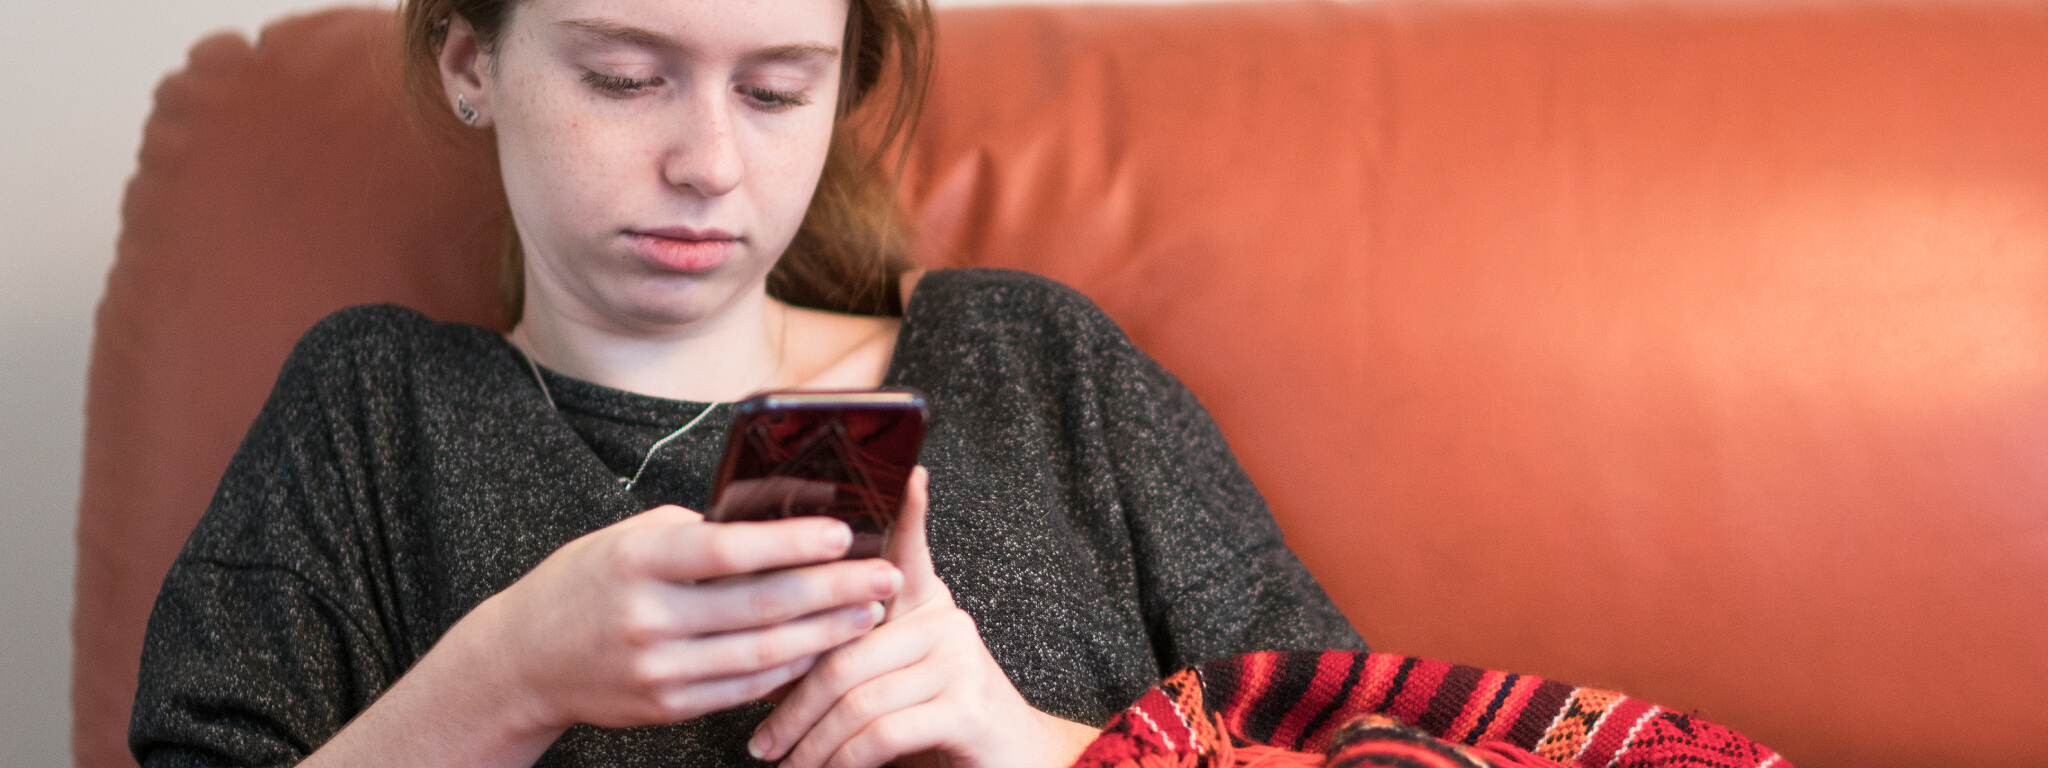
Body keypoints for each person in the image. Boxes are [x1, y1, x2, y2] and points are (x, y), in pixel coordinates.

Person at [128, 0, 1365, 765]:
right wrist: (506, 678)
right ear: (472, 62)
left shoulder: (1035, 364)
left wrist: (1032, 744)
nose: (710, 163)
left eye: (776, 90)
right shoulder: (370, 411)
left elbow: (1385, 747)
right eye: (623, 77)